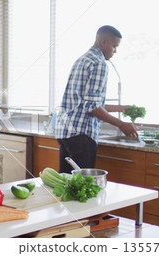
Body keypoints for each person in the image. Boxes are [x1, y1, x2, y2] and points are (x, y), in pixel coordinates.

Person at [55, 25, 138, 174]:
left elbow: (86, 101)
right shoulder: (99, 63)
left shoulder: (82, 59)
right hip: (82, 135)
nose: (115, 51)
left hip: (66, 133)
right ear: (104, 42)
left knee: (65, 186)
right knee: (82, 188)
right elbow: (92, 106)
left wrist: (121, 108)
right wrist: (121, 124)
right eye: (114, 46)